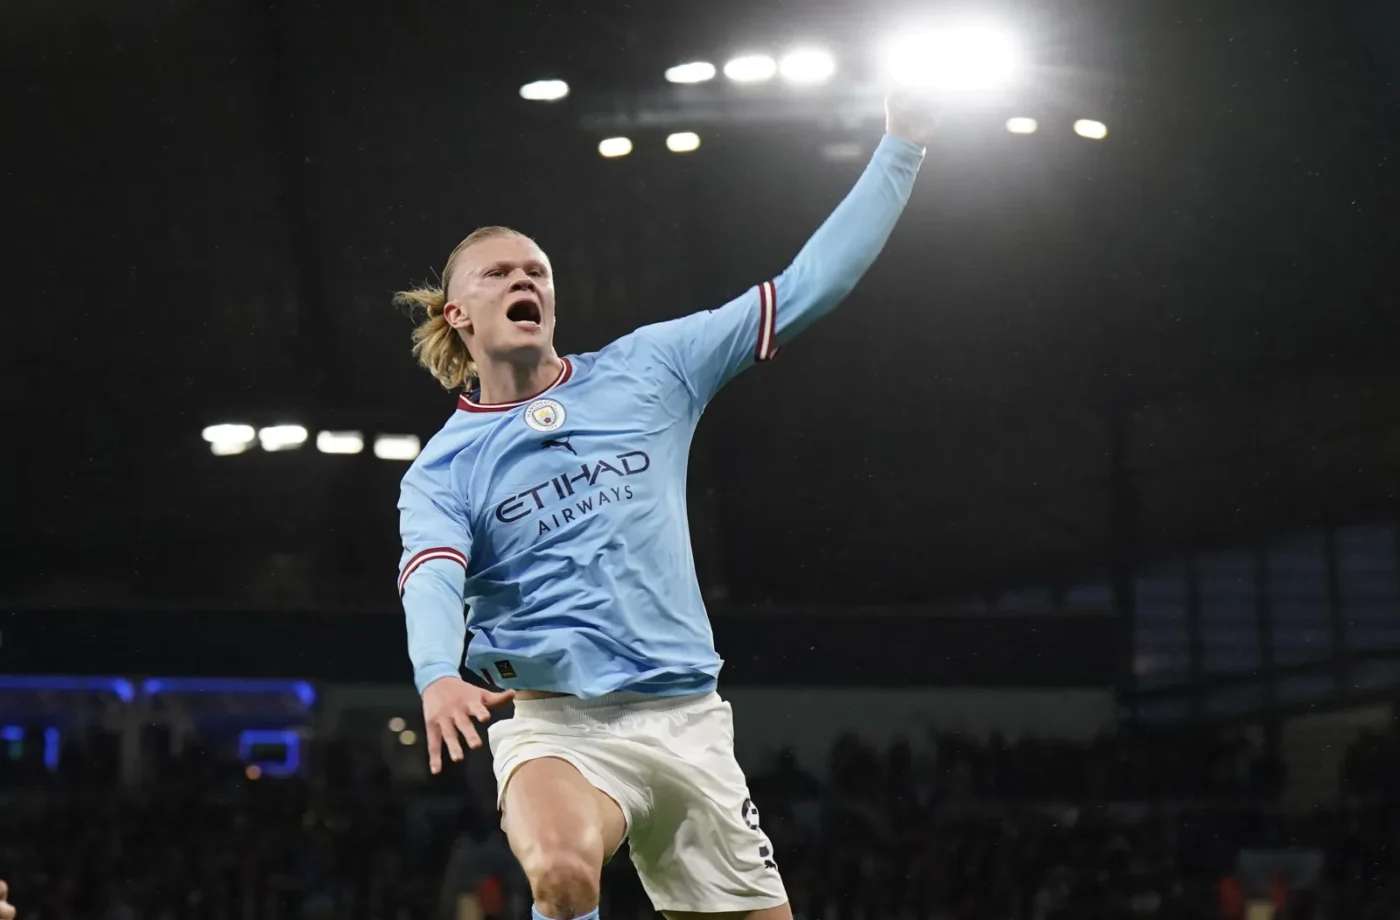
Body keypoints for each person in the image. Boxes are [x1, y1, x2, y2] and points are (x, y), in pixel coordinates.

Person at [392, 93, 933, 920]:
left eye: (536, 272)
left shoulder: (650, 370)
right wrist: (437, 674)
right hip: (560, 730)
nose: (524, 279)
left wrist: (903, 146)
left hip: (689, 723)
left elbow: (807, 287)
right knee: (562, 873)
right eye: (499, 273)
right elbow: (430, 575)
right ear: (456, 313)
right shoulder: (443, 469)